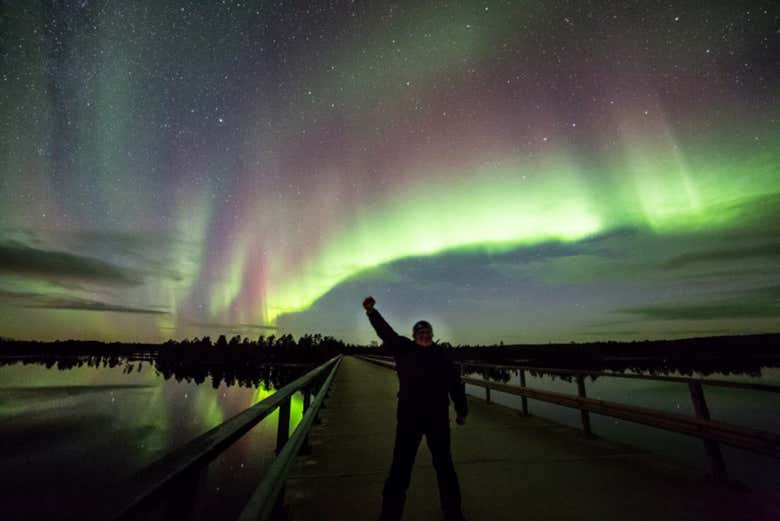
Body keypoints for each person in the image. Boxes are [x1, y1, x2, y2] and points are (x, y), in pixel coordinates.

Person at [363, 296, 468, 521]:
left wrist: (462, 411)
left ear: (431, 334)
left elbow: (455, 384)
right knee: (400, 468)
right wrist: (372, 312)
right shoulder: (404, 349)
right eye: (420, 333)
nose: (424, 335)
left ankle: (453, 513)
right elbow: (386, 333)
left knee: (445, 468)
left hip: (438, 419)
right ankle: (389, 515)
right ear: (414, 335)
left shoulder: (442, 355)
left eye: (427, 332)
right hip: (409, 419)